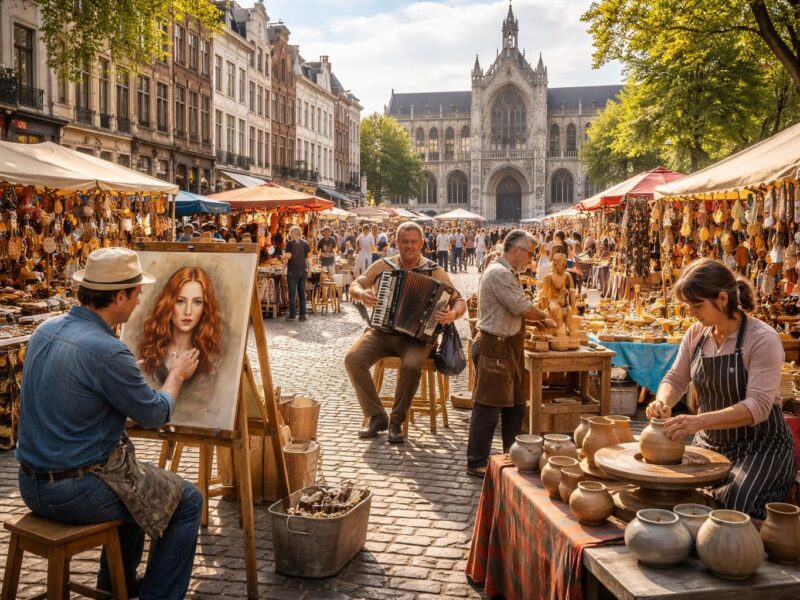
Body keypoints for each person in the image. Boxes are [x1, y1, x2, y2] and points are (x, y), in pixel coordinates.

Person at [16, 247, 203, 599]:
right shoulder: (107, 351)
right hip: (74, 493)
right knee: (188, 499)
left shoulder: (45, 329)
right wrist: (175, 376)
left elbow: (84, 384)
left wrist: (127, 371)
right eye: (136, 293)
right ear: (119, 296)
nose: (139, 301)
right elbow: (154, 414)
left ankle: (117, 585)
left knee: (137, 485)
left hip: (30, 484)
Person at [647, 258, 797, 518]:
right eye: (688, 305)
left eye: (697, 305)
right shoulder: (696, 334)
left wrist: (697, 422)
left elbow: (757, 407)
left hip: (760, 447)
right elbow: (675, 379)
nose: (691, 312)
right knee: (673, 493)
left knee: (736, 505)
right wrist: (662, 402)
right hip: (711, 443)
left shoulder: (762, 339)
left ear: (723, 299)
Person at [345, 222, 466, 443]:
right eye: (404, 241)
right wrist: (362, 294)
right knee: (353, 359)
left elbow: (459, 301)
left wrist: (453, 315)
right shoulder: (384, 265)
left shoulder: (434, 270)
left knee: (411, 366)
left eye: (413, 242)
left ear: (421, 244)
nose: (409, 246)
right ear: (396, 243)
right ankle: (376, 416)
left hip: (417, 339)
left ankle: (397, 421)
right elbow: (357, 283)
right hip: (382, 331)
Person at [466, 230, 556, 477]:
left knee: (515, 404)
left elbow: (515, 309)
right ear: (516, 250)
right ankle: (476, 461)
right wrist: (544, 316)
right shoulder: (499, 273)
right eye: (529, 253)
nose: (531, 258)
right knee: (488, 405)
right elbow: (520, 305)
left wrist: (534, 320)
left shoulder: (507, 272)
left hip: (509, 345)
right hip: (495, 345)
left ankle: (512, 453)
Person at [138, 266, 224, 385]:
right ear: (168, 304)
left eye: (197, 302)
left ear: (205, 308)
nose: (188, 311)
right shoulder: (150, 355)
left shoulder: (209, 362)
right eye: (180, 301)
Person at [282, 225, 311, 321]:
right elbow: (309, 258)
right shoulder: (305, 243)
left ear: (294, 233)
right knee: (302, 293)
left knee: (292, 294)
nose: (290, 234)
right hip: (303, 271)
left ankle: (292, 314)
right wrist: (310, 270)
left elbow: (288, 257)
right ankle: (302, 315)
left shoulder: (290, 243)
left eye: (291, 233)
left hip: (292, 271)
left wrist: (284, 258)